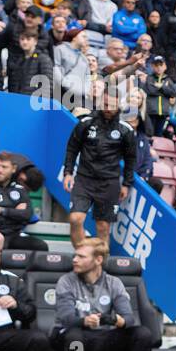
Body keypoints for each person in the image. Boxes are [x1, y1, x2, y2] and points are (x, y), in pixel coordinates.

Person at [52, 237, 155, 351]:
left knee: (143, 334)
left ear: (98, 260)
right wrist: (85, 321)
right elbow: (66, 318)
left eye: (81, 256)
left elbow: (129, 318)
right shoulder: (66, 281)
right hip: (76, 338)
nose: (74, 260)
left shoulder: (114, 283)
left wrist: (117, 320)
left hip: (105, 338)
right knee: (74, 336)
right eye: (75, 255)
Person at [62, 88, 136, 246]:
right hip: (84, 179)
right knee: (75, 219)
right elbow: (72, 148)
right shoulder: (85, 122)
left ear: (119, 105)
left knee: (102, 227)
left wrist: (127, 183)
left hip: (109, 183)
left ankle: (100, 266)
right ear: (101, 101)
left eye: (112, 105)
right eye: (106, 103)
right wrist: (68, 172)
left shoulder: (125, 129)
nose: (108, 108)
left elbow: (131, 159)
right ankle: (82, 257)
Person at [0, 152, 45, 251]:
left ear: (13, 169)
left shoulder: (20, 189)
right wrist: (15, 213)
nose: (0, 170)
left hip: (13, 235)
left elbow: (27, 215)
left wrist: (3, 211)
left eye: (4, 167)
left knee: (40, 246)